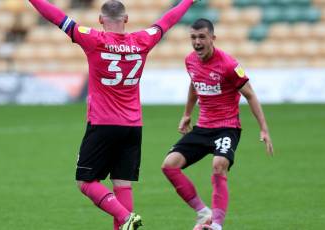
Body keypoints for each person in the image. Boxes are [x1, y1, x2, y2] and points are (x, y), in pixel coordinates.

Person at [28, 0, 199, 229]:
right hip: (133, 126)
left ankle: (126, 217)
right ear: (126, 19)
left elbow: (56, 16)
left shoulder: (93, 39)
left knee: (86, 182)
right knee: (122, 184)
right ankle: (125, 220)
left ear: (100, 20)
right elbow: (167, 21)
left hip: (103, 123)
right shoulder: (143, 39)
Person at [161, 18, 274, 230]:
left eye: (201, 37)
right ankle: (203, 213)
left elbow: (250, 95)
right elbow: (194, 84)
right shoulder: (190, 61)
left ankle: (216, 226)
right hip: (203, 127)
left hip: (227, 127)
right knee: (169, 165)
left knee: (218, 165)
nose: (197, 42)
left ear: (212, 38)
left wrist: (264, 128)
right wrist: (187, 113)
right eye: (193, 37)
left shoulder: (229, 65)